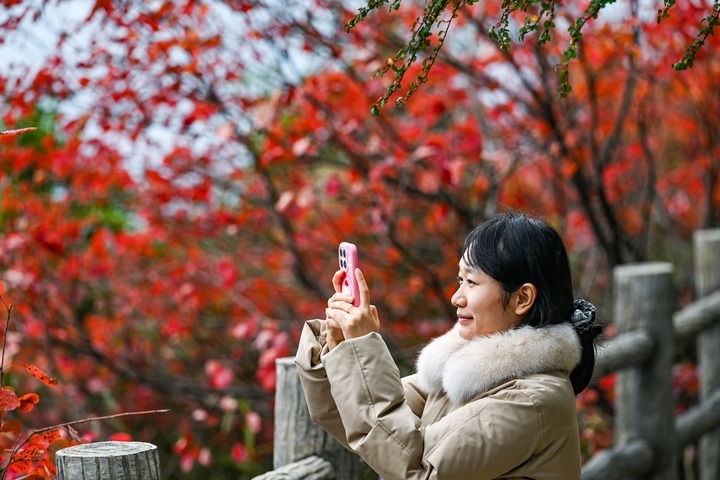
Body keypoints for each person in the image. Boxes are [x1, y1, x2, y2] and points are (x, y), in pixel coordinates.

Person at [295, 211, 603, 480]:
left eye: (472, 282)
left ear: (522, 298)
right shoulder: (463, 372)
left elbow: (417, 467)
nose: (457, 297)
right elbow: (353, 418)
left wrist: (363, 347)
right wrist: (338, 346)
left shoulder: (533, 401)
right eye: (460, 280)